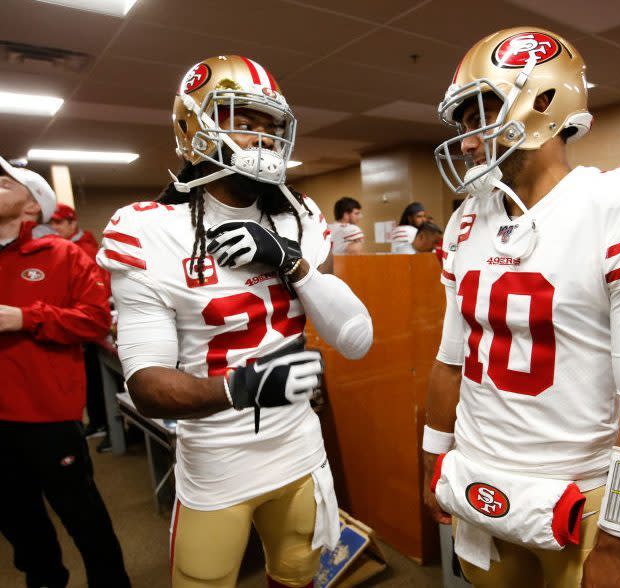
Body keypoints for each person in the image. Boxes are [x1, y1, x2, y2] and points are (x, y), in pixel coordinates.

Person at [423, 27, 620, 588]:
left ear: (546, 101)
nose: (467, 141)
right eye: (461, 122)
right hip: (478, 474)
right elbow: (449, 361)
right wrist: (432, 460)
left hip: (578, 494)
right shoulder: (465, 222)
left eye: (481, 112)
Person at [97, 55, 373, 588]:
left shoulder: (301, 218)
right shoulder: (148, 231)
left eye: (272, 128)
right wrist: (242, 388)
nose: (262, 141)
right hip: (218, 461)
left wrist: (290, 261)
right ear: (192, 127)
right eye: (244, 124)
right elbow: (147, 385)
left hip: (301, 448)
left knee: (298, 578)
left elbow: (357, 339)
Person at [0, 156, 131, 587]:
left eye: (5, 183)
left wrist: (26, 318)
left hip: (48, 420)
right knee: (24, 533)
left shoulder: (62, 255)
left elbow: (95, 321)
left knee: (85, 522)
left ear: (32, 206)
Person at [50, 203, 110, 441]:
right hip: (76, 325)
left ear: (71, 223)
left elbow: (99, 295)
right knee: (91, 379)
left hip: (90, 324)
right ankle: (98, 423)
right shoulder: (65, 248)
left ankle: (105, 425)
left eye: (58, 222)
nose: (53, 228)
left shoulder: (82, 250)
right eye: (51, 223)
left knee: (98, 380)